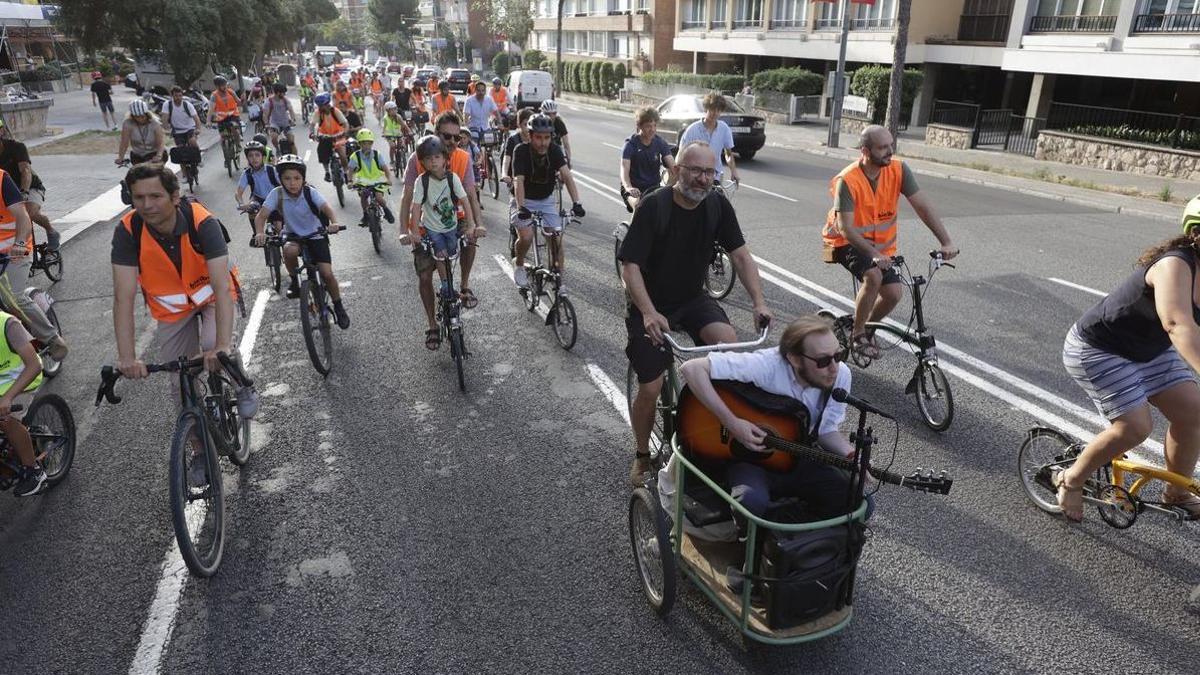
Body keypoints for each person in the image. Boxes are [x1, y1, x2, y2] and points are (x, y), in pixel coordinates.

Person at [618, 140, 772, 486]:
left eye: (709, 172)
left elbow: (742, 257)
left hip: (691, 297)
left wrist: (758, 302)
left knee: (728, 345)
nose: (703, 179)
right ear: (677, 171)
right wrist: (648, 312)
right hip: (651, 305)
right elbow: (630, 268)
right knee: (652, 384)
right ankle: (642, 455)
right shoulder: (654, 207)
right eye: (696, 171)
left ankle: (702, 421)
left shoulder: (716, 204)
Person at [111, 164, 254, 489]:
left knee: (211, 348)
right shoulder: (128, 231)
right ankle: (200, 451)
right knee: (179, 383)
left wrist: (220, 346)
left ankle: (240, 379)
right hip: (173, 311)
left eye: (155, 196)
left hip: (211, 298)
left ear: (175, 197)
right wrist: (127, 357)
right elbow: (123, 298)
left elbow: (220, 288)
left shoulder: (203, 223)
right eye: (139, 197)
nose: (147, 205)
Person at [1056, 227, 1200, 522]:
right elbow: (1176, 323)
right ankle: (1071, 479)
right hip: (1100, 349)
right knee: (1134, 427)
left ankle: (1176, 493)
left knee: (1195, 413)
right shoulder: (1175, 265)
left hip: (1150, 350)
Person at [679, 315, 873, 528]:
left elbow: (825, 430)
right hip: (750, 460)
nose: (834, 368)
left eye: (839, 355)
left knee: (856, 498)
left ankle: (802, 551)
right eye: (823, 361)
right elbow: (692, 369)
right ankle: (747, 552)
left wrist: (851, 455)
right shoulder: (766, 365)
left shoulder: (840, 375)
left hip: (797, 454)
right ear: (794, 359)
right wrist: (733, 423)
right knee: (750, 502)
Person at [821, 124, 958, 360]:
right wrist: (874, 253)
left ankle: (866, 327)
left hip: (880, 249)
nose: (889, 151)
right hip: (846, 242)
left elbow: (922, 206)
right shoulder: (849, 180)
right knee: (873, 276)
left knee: (894, 294)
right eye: (883, 147)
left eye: (891, 145)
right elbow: (846, 228)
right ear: (865, 151)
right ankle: (858, 336)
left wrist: (946, 241)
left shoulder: (898, 170)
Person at [398, 111, 485, 333]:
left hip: (456, 218)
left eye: (458, 137)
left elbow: (471, 196)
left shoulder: (463, 158)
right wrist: (403, 231)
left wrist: (477, 224)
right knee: (425, 275)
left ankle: (464, 286)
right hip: (425, 224)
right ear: (436, 134)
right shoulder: (417, 159)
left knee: (470, 239)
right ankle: (432, 324)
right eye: (448, 137)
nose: (454, 142)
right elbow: (407, 198)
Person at [252, 154, 351, 329]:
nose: (292, 182)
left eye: (297, 178)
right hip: (293, 236)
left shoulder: (309, 192)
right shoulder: (277, 194)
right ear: (280, 179)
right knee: (288, 251)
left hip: (316, 234)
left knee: (327, 274)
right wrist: (259, 233)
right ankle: (294, 282)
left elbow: (326, 208)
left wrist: (334, 223)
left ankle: (338, 306)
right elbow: (261, 216)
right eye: (287, 178)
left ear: (303, 178)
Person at [404, 136, 479, 315]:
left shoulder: (453, 179)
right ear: (422, 162)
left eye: (437, 157)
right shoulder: (421, 181)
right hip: (432, 227)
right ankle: (446, 286)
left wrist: (471, 225)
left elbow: (466, 201)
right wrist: (414, 231)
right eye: (428, 159)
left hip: (450, 226)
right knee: (440, 254)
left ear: (445, 158)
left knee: (451, 252)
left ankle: (454, 284)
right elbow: (415, 208)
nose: (433, 161)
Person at [510, 114, 584, 289]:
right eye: (538, 138)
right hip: (524, 200)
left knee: (556, 239)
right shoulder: (520, 150)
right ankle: (519, 263)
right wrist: (521, 207)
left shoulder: (555, 150)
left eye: (546, 138)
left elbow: (566, 174)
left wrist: (577, 203)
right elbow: (518, 181)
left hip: (545, 200)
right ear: (530, 135)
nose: (543, 143)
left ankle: (558, 279)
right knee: (526, 237)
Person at [0, 304, 46, 497]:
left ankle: (33, 471)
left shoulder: (7, 324)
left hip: (21, 381)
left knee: (6, 419)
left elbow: (33, 365)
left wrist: (8, 397)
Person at [0, 120, 60, 250]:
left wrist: (24, 192)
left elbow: (25, 171)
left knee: (30, 213)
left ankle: (51, 231)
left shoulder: (17, 147)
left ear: (2, 131)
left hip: (30, 186)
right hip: (8, 191)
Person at [620, 106, 676, 213]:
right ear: (639, 126)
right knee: (639, 206)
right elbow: (624, 172)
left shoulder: (660, 143)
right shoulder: (630, 145)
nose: (653, 129)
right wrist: (628, 187)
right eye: (648, 126)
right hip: (633, 188)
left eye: (654, 125)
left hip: (653, 188)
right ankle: (634, 229)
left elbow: (674, 167)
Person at [678, 92, 739, 186]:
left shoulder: (724, 129)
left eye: (718, 110)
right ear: (706, 109)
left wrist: (733, 171)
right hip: (695, 177)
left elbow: (728, 154)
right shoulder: (692, 130)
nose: (715, 113)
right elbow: (681, 155)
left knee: (718, 200)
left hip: (714, 177)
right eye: (712, 109)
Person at [347, 129, 396, 227]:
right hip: (363, 180)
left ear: (371, 143)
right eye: (363, 143)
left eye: (368, 143)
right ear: (359, 144)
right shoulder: (355, 156)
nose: (366, 146)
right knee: (364, 196)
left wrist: (389, 179)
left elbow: (385, 169)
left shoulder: (377, 154)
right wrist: (350, 181)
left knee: (379, 198)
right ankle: (365, 214)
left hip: (378, 179)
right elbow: (350, 170)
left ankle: (386, 210)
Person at [234, 141, 280, 231]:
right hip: (258, 199)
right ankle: (256, 234)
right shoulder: (247, 173)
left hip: (275, 199)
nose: (254, 158)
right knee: (251, 208)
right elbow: (238, 192)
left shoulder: (272, 170)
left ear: (263, 157)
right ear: (247, 158)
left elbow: (284, 185)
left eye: (257, 155)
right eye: (250, 156)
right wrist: (241, 203)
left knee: (278, 226)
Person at [310, 92, 349, 182]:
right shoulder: (318, 113)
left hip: (338, 136)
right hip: (325, 137)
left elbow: (345, 124)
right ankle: (327, 172)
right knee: (322, 153)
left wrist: (345, 133)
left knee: (343, 155)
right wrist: (312, 134)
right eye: (319, 105)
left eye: (322, 105)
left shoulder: (335, 111)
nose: (320, 107)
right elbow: (312, 125)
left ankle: (346, 172)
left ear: (327, 104)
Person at [115, 99, 166, 167]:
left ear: (147, 114)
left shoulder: (155, 124)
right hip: (137, 155)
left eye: (142, 116)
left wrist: (158, 155)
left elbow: (160, 143)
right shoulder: (127, 124)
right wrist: (120, 157)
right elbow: (124, 143)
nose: (140, 119)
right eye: (137, 117)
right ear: (132, 116)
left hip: (154, 154)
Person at [501, 108, 533, 191]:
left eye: (531, 124)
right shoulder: (513, 140)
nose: (528, 128)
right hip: (515, 180)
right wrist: (504, 174)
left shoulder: (537, 139)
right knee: (515, 202)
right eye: (525, 124)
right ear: (519, 124)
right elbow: (506, 159)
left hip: (533, 180)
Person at [163, 86, 203, 151]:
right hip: (177, 131)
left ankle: (197, 154)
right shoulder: (167, 105)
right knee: (180, 149)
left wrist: (198, 129)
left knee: (192, 141)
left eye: (180, 95)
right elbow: (164, 118)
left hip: (190, 129)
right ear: (172, 96)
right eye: (176, 96)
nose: (178, 98)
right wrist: (166, 129)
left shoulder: (187, 105)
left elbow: (196, 118)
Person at [206, 76, 242, 145]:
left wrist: (243, 100)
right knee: (222, 136)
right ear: (217, 86)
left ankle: (238, 146)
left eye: (225, 84)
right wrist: (208, 121)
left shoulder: (231, 92)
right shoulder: (214, 96)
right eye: (222, 85)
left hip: (233, 115)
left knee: (235, 129)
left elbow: (238, 102)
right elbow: (211, 109)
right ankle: (225, 150)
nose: (225, 87)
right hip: (221, 118)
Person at [463, 81, 500, 146]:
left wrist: (500, 123)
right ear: (475, 90)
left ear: (485, 91)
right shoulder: (469, 100)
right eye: (479, 90)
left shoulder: (489, 99)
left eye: (483, 90)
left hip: (486, 128)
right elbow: (466, 115)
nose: (481, 93)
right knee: (474, 143)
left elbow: (496, 112)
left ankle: (488, 155)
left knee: (492, 142)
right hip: (473, 127)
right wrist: (466, 127)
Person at [538, 99, 571, 166]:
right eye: (547, 114)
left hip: (556, 147)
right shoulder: (537, 121)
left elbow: (566, 143)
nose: (551, 116)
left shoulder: (559, 122)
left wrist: (568, 159)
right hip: (541, 147)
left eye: (554, 113)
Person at [264, 84, 296, 153]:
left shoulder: (285, 100)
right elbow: (265, 114)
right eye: (283, 93)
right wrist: (266, 124)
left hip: (285, 123)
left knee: (291, 141)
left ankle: (296, 159)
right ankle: (277, 149)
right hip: (274, 123)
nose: (284, 94)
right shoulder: (269, 101)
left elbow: (291, 110)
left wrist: (293, 120)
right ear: (278, 93)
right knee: (274, 137)